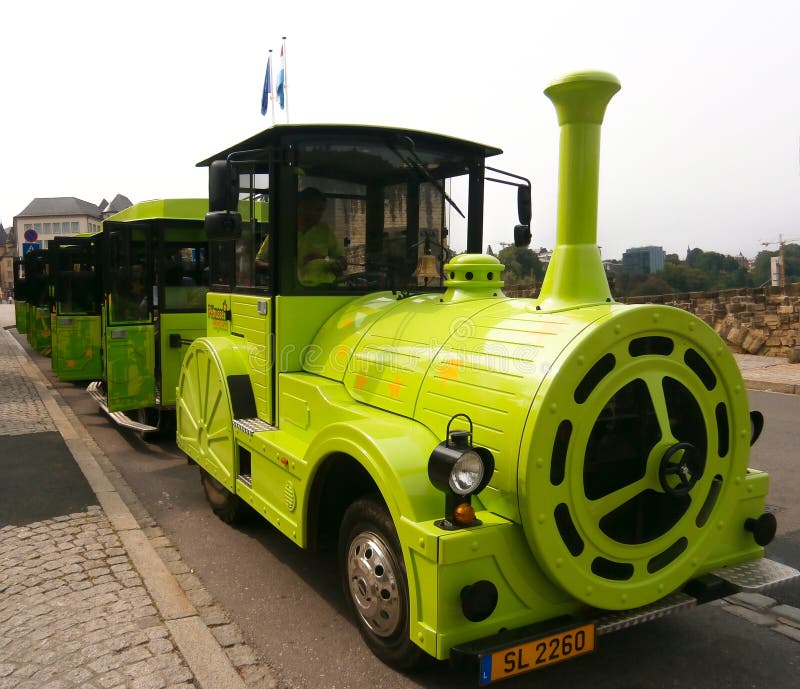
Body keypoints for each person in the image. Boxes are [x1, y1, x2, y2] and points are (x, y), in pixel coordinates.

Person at [256, 187, 346, 286]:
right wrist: (279, 269)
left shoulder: (325, 230)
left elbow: (342, 262)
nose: (321, 214)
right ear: (302, 207)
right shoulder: (282, 232)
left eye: (322, 210)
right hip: (290, 291)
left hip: (326, 290)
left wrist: (325, 258)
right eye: (318, 209)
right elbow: (258, 263)